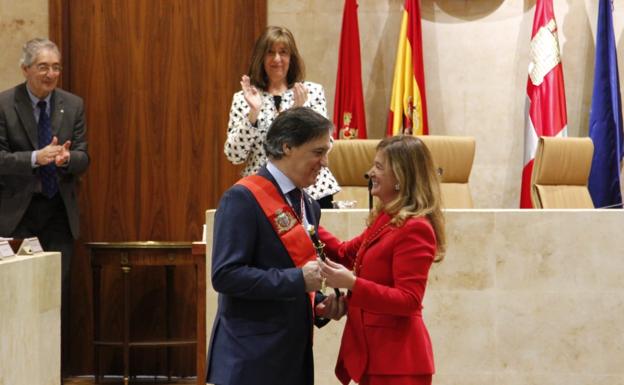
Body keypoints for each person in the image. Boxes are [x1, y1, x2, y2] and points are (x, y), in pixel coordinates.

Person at [207, 107, 343, 385]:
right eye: (318, 152)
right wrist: (298, 279)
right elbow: (226, 275)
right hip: (249, 358)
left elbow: (292, 272)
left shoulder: (310, 205)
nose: (325, 162)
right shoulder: (241, 198)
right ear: (287, 146)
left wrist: (320, 305)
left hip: (293, 357)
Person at [318, 135, 446, 385]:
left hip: (398, 362)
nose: (370, 173)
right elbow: (345, 254)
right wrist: (304, 222)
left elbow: (409, 300)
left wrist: (354, 285)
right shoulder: (387, 218)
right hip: (375, 356)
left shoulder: (415, 228)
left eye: (378, 167)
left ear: (400, 177)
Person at [0, 38, 89, 372]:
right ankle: (15, 370)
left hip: (58, 215)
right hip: (16, 216)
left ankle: (54, 370)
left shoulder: (72, 105)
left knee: (57, 295)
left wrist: (67, 158)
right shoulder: (4, 105)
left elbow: (84, 155)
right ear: (25, 69)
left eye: (56, 67)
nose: (51, 74)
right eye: (43, 67)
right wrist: (37, 158)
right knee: (16, 294)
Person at [224, 25, 340, 208]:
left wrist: (298, 114)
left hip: (311, 190)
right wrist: (252, 115)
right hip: (262, 191)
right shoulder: (243, 98)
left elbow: (326, 144)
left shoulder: (312, 93)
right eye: (270, 53)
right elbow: (234, 155)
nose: (277, 59)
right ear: (261, 58)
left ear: (291, 58)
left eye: (283, 52)